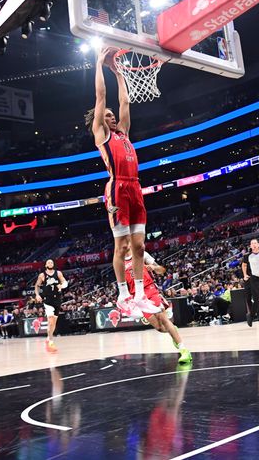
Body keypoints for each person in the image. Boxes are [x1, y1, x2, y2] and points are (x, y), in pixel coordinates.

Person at [86, 47, 159, 318]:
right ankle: (122, 294)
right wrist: (98, 64)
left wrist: (118, 73)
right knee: (122, 246)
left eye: (111, 115)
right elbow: (101, 97)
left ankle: (139, 295)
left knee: (139, 246)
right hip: (117, 188)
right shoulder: (101, 135)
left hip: (135, 188)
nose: (112, 116)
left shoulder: (124, 133)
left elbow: (125, 102)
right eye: (107, 115)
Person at [121, 241, 192, 364]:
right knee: (159, 328)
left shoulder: (141, 254)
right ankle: (172, 330)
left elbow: (162, 270)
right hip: (137, 297)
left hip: (150, 290)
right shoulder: (120, 262)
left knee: (163, 318)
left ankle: (184, 350)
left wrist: (153, 268)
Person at [35, 259, 68, 353]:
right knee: (50, 320)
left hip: (57, 299)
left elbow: (65, 282)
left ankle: (48, 339)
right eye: (48, 262)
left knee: (53, 323)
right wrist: (37, 295)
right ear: (45, 265)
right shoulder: (42, 275)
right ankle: (51, 341)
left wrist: (62, 286)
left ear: (53, 264)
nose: (50, 263)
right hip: (48, 300)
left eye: (52, 262)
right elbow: (37, 285)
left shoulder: (58, 273)